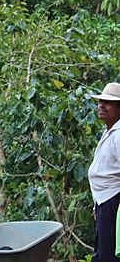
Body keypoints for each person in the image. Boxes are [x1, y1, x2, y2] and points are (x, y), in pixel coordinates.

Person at [88, 82, 120, 262]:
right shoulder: (110, 131)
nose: (101, 106)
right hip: (103, 202)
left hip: (113, 202)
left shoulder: (119, 134)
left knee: (108, 256)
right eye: (100, 102)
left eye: (108, 103)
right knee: (101, 253)